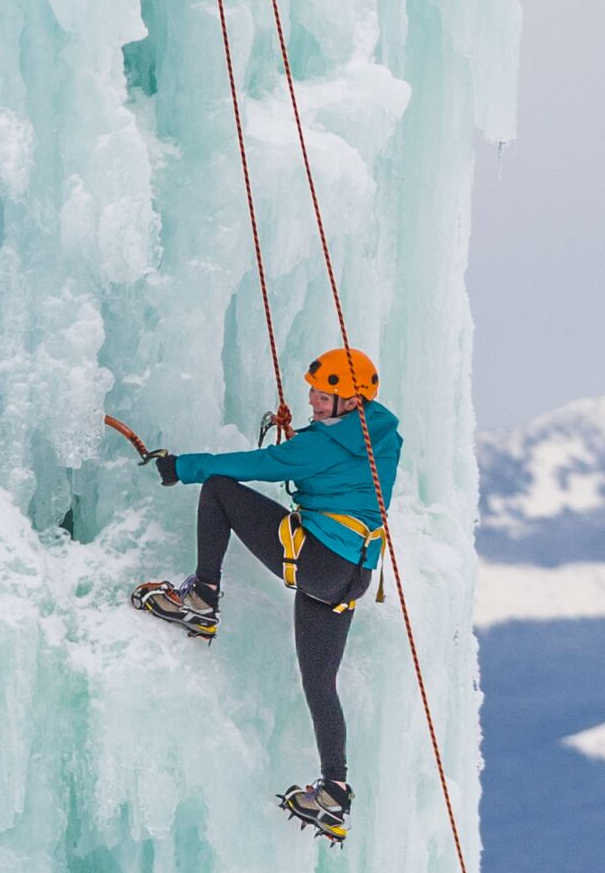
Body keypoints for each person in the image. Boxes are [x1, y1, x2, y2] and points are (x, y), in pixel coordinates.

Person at [128, 348, 403, 843]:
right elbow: (327, 461)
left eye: (324, 397)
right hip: (350, 575)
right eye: (314, 395)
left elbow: (265, 464)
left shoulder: (324, 443)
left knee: (217, 488)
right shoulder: (379, 433)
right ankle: (334, 791)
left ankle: (202, 595)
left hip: (320, 560)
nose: (314, 404)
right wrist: (308, 440)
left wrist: (181, 467)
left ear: (349, 401)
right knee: (320, 684)